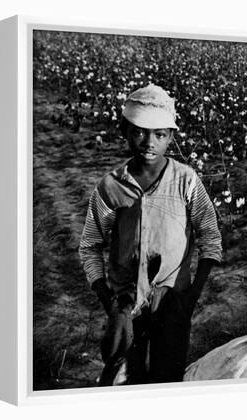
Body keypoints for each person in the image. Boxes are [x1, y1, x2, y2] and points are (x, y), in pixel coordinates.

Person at [79, 84, 222, 385]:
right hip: (126, 304)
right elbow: (90, 245)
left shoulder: (185, 180)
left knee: (167, 376)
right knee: (126, 378)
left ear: (171, 137)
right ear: (125, 131)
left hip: (172, 301)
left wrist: (192, 297)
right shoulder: (111, 186)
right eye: (139, 131)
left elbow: (210, 234)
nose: (149, 142)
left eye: (159, 134)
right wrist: (109, 300)